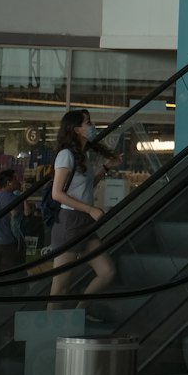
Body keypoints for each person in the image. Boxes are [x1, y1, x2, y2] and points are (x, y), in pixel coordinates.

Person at [48, 109, 118, 302]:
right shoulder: (65, 155)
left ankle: (79, 312)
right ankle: (51, 329)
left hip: (84, 222)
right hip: (70, 222)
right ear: (77, 129)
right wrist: (91, 209)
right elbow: (57, 193)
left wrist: (106, 168)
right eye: (88, 123)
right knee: (60, 287)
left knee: (107, 272)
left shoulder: (81, 156)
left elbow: (84, 188)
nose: (92, 127)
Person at [0, 169, 23, 273]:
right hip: (7, 243)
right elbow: (20, 216)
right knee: (7, 276)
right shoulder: (15, 199)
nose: (17, 181)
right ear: (9, 182)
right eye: (15, 179)